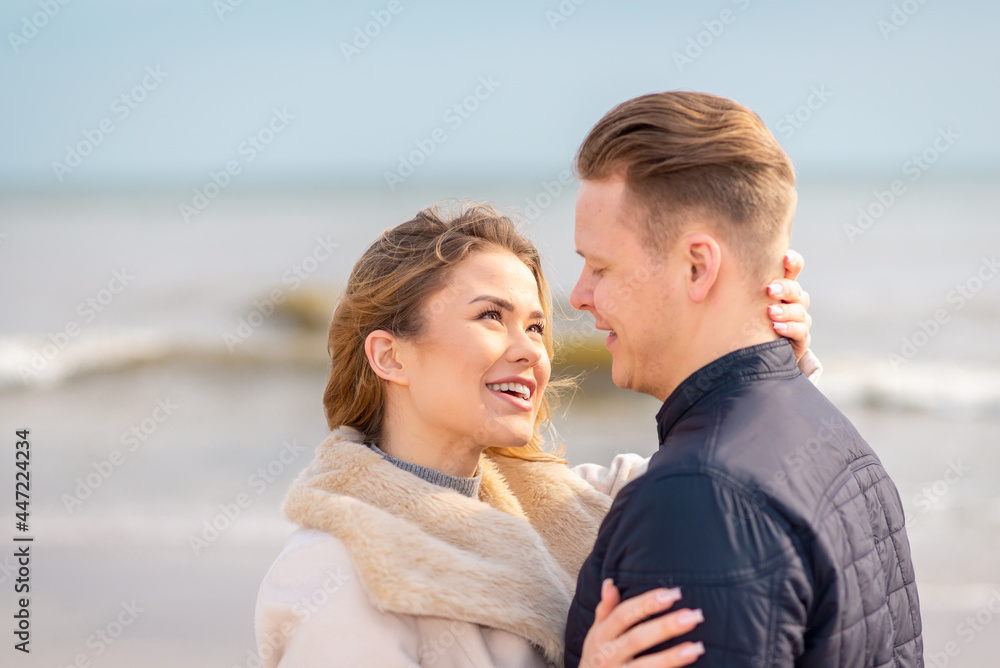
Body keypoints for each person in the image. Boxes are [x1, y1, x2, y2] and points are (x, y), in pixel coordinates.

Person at [254, 202, 816, 667]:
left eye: (537, 326)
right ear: (391, 356)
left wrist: (767, 369)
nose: (532, 351)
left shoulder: (566, 506)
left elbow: (732, 477)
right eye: (490, 316)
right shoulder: (338, 568)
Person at [563, 91, 922, 667]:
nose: (580, 296)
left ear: (697, 267)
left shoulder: (696, 500)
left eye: (601, 267)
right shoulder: (831, 432)